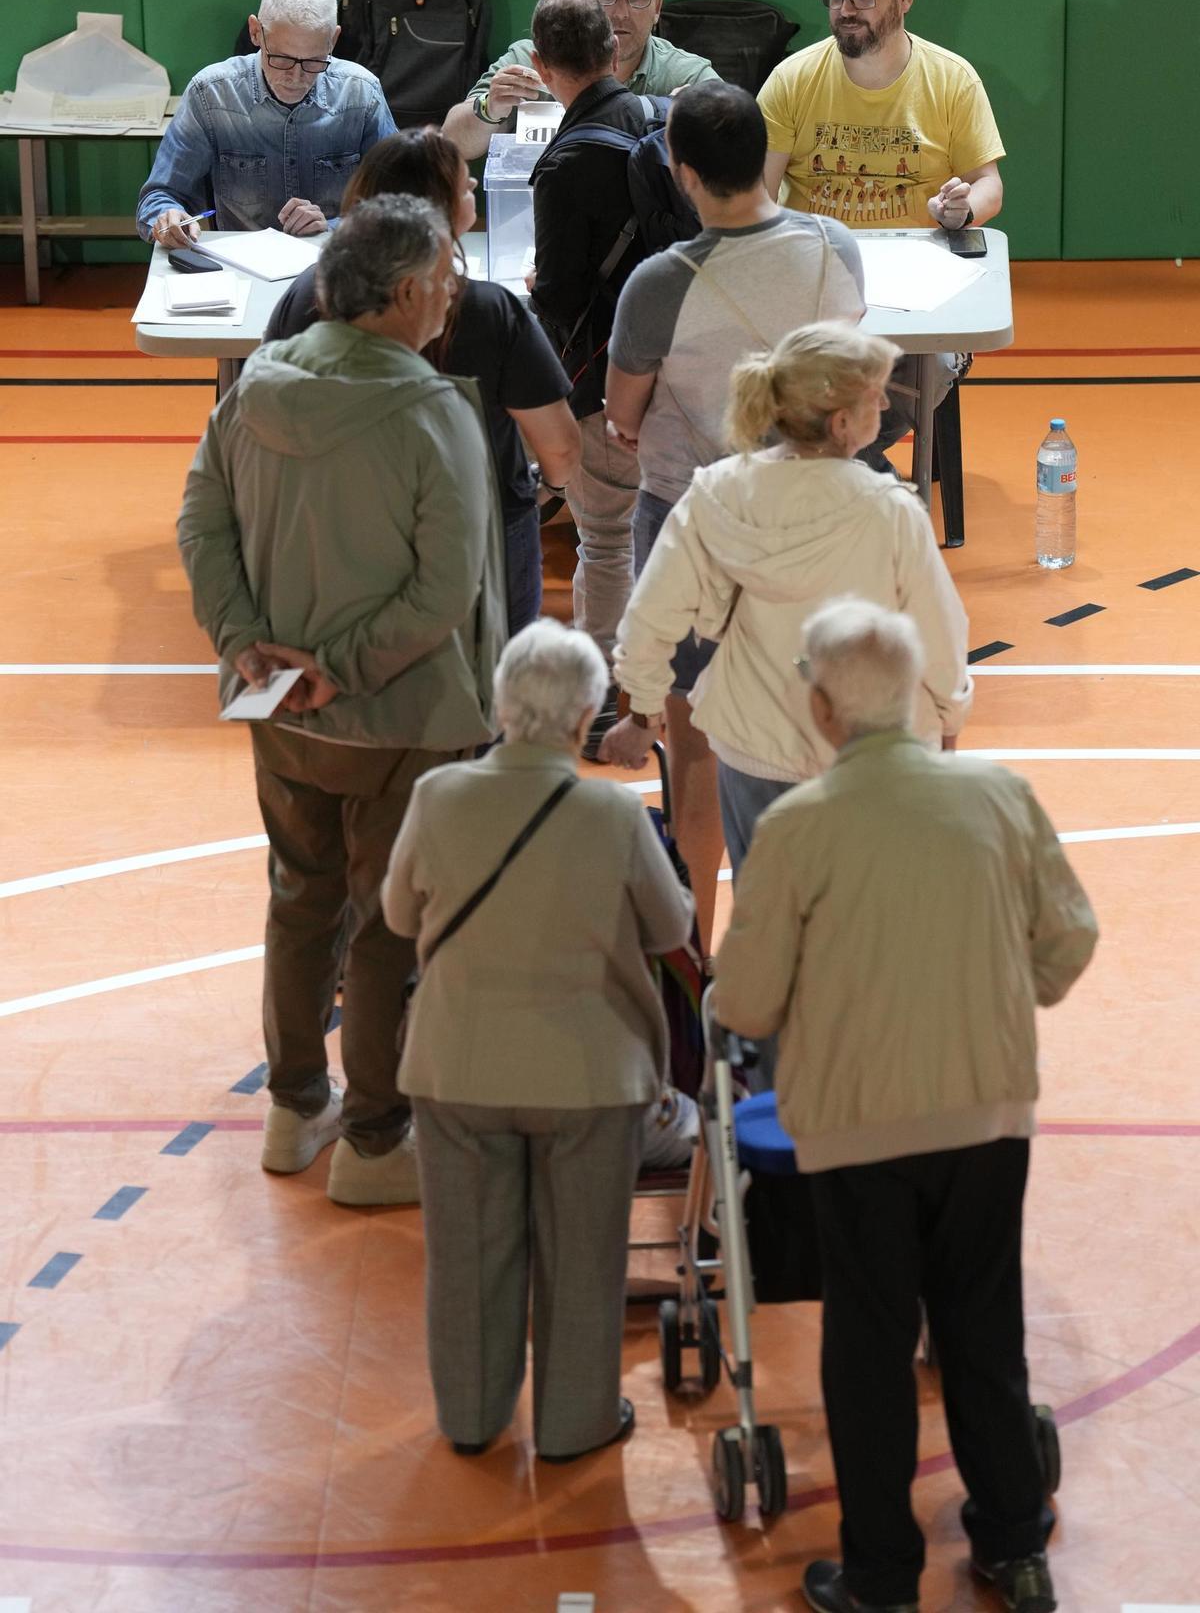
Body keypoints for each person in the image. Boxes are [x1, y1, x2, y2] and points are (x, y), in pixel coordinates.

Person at [713, 598, 1099, 1613]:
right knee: (984, 1328)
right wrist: (1012, 997)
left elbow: (747, 1001)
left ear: (823, 710)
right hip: (987, 1112)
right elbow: (1069, 941)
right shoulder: (999, 794)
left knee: (871, 1345)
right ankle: (1016, 1548)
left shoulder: (798, 828)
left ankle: (882, 1572)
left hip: (857, 1127)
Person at [177, 194, 505, 1207]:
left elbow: (202, 529)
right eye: (446, 284)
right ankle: (372, 1139)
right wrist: (345, 666)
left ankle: (292, 1107)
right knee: (385, 931)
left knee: (300, 900)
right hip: (401, 717)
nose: (451, 301)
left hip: (279, 712)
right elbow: (446, 593)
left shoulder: (256, 386)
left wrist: (251, 651)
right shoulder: (429, 411)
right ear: (405, 293)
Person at [381, 620, 694, 1460]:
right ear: (588, 710)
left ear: (499, 702)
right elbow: (672, 927)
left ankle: (474, 1417)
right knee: (583, 1255)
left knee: (466, 1256)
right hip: (589, 1072)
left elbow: (399, 916)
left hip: (456, 1064)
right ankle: (573, 1420)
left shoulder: (438, 798)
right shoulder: (610, 813)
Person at [599, 81, 865, 946]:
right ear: (763, 155)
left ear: (683, 176)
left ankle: (699, 960)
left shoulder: (659, 285)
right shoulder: (836, 250)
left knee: (699, 752)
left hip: (698, 528)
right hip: (823, 527)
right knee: (815, 742)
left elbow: (624, 415)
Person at [610, 323, 972, 891]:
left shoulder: (714, 495)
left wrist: (642, 711)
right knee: (865, 928)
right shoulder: (891, 511)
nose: (884, 401)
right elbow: (940, 636)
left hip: (754, 746)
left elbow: (651, 615)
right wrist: (949, 720)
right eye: (874, 393)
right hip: (871, 753)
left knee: (771, 915)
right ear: (842, 422)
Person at [265, 130, 580, 634]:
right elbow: (561, 445)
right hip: (480, 535)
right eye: (462, 184)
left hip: (342, 531)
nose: (473, 183)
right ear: (435, 211)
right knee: (482, 688)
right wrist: (546, 488)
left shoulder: (306, 293)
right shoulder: (487, 309)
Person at [758, 0, 1005, 471]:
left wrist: (964, 207)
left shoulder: (952, 80)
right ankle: (858, 489)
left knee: (866, 403)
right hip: (816, 291)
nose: (847, 9)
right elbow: (759, 197)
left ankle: (830, 481)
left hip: (919, 301)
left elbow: (989, 185)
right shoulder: (791, 80)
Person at [523, 0, 667, 747]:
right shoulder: (662, 122)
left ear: (543, 66)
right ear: (614, 51)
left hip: (604, 382)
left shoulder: (565, 160)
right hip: (678, 376)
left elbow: (558, 293)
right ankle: (666, 694)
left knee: (606, 540)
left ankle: (607, 700)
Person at [137, 0, 396, 247]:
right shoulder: (212, 95)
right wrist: (166, 219)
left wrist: (333, 227)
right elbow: (159, 197)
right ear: (255, 32)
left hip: (335, 264)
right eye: (282, 59)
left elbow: (400, 204)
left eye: (314, 62)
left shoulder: (360, 93)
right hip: (242, 267)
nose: (297, 78)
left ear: (333, 40)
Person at [443, 0, 718, 161]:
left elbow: (736, 143)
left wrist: (698, 119)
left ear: (657, 6)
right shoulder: (530, 60)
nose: (621, 13)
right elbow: (453, 143)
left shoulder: (686, 73)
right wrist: (489, 107)